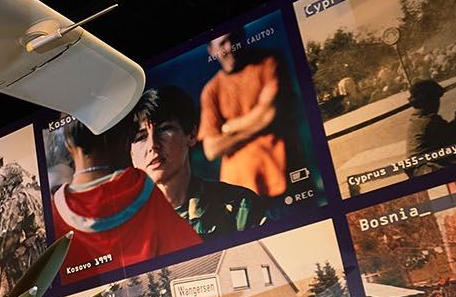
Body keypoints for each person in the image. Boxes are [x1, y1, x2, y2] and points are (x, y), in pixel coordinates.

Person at [49, 118, 199, 274]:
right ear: (122, 139)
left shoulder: (52, 216)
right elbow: (192, 257)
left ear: (69, 145)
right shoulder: (142, 189)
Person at [125, 87, 269, 239]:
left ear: (191, 135)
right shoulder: (125, 231)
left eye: (164, 129)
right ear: (132, 155)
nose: (153, 145)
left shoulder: (239, 207)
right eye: (141, 137)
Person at [198, 29, 294, 198]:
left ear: (242, 36)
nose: (230, 47)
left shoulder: (268, 63)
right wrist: (256, 122)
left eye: (233, 39)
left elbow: (270, 114)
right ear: (211, 51)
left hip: (281, 177)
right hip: (240, 193)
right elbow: (212, 149)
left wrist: (228, 127)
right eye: (222, 43)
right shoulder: (211, 91)